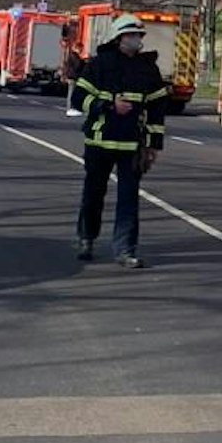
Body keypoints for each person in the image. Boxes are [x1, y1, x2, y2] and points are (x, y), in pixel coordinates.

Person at [68, 14, 169, 268]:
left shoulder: (148, 68)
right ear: (119, 38)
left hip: (132, 145)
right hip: (99, 142)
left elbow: (157, 109)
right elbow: (79, 98)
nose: (137, 40)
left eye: (139, 36)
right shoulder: (99, 65)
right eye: (132, 35)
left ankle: (125, 249)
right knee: (93, 194)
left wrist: (154, 145)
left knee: (129, 199)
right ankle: (86, 238)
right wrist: (108, 105)